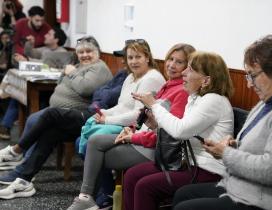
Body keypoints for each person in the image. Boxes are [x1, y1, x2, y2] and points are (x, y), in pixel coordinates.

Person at [172, 35, 272, 210]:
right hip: (247, 188)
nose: (248, 85)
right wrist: (235, 146)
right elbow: (262, 147)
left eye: (252, 75)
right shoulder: (271, 102)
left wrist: (226, 153)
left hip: (270, 201)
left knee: (184, 207)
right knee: (182, 194)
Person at [67, 43, 195, 210]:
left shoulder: (181, 91)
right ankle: (86, 198)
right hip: (140, 138)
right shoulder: (167, 85)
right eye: (170, 59)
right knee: (94, 141)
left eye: (179, 62)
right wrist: (132, 129)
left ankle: (100, 196)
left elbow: (168, 132)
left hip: (153, 149)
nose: (171, 65)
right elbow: (146, 118)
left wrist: (133, 136)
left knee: (94, 157)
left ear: (188, 67)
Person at [123, 51, 235, 210]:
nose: (183, 72)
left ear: (206, 80)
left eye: (190, 69)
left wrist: (154, 105)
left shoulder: (214, 100)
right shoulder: (196, 98)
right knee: (131, 175)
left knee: (145, 186)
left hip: (208, 170)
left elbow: (181, 131)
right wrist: (156, 126)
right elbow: (182, 134)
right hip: (189, 163)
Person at [0, 36, 112, 183]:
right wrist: (70, 74)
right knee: (48, 132)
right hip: (62, 112)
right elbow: (61, 83)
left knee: (39, 118)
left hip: (81, 115)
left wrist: (71, 73)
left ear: (98, 52)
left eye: (88, 51)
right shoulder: (80, 67)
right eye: (81, 52)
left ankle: (17, 152)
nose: (84, 55)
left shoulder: (99, 68)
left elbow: (84, 88)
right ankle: (23, 175)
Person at [77, 39, 165, 155]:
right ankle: (102, 172)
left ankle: (100, 171)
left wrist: (107, 120)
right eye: (130, 57)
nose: (134, 61)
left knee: (88, 141)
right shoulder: (130, 77)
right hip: (123, 123)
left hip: (137, 129)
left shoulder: (151, 79)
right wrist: (104, 113)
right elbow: (122, 106)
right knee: (89, 126)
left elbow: (138, 116)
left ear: (147, 58)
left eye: (138, 57)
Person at [0, 26, 68, 140]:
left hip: (50, 89)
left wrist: (28, 61)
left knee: (24, 95)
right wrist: (29, 44)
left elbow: (46, 64)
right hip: (37, 85)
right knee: (17, 94)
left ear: (56, 39)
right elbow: (32, 53)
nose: (45, 35)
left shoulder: (63, 53)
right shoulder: (45, 49)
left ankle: (15, 128)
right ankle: (6, 126)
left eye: (49, 34)